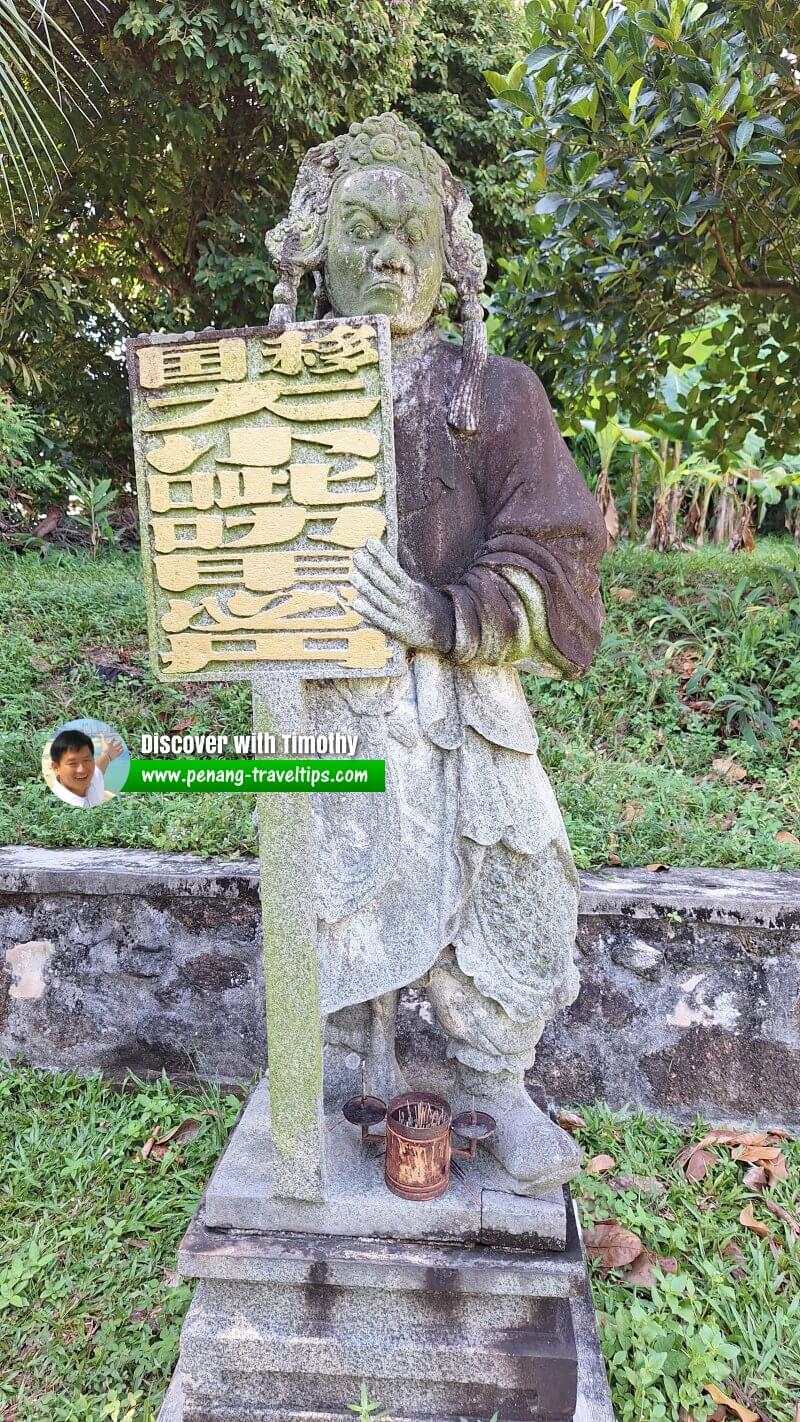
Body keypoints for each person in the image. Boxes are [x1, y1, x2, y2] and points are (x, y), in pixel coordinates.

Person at [266, 114, 607, 1195]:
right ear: (313, 247)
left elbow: (556, 547)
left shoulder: (493, 392)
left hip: (462, 693)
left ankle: (498, 1085)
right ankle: (334, 1077)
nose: (389, 257)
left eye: (412, 233)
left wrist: (441, 615)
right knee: (332, 879)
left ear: (450, 256)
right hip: (325, 693)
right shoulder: (266, 391)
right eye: (362, 230)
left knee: (507, 878)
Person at [49, 728, 123, 808]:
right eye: (72, 763)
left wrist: (108, 754)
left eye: (86, 760)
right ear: (56, 767)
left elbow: (98, 769)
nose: (82, 770)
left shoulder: (91, 779)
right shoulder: (60, 803)